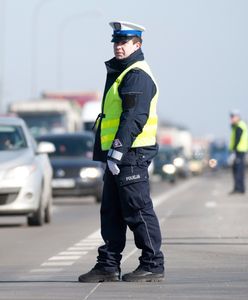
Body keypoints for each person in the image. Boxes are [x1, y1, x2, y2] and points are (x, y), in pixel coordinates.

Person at [78, 21, 164, 282]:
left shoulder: (136, 74)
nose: (118, 46)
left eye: (124, 42)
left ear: (137, 45)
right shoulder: (122, 73)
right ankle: (108, 265)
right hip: (120, 156)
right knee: (112, 211)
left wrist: (117, 150)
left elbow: (133, 117)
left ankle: (152, 265)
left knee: (137, 210)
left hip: (131, 154)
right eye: (116, 42)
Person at [229, 110, 248, 194]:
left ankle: (239, 188)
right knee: (236, 170)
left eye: (233, 117)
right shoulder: (236, 125)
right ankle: (238, 188)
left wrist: (233, 151)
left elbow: (237, 139)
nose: (231, 119)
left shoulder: (240, 126)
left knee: (239, 170)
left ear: (238, 117)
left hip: (239, 151)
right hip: (238, 151)